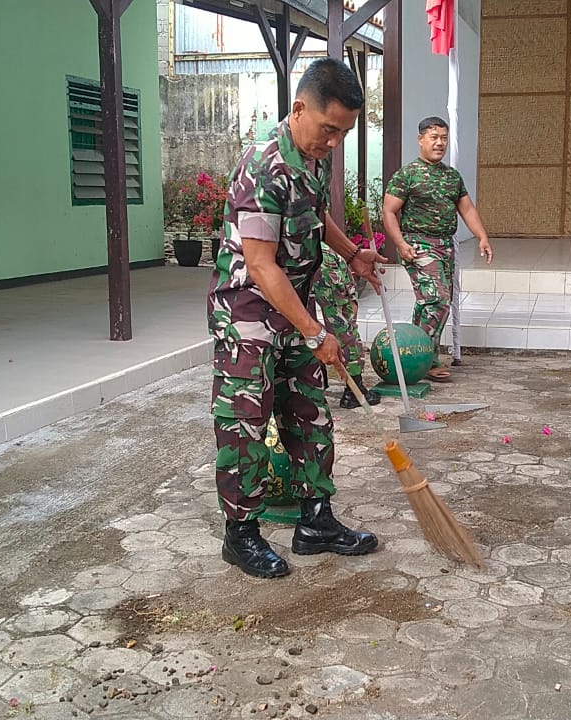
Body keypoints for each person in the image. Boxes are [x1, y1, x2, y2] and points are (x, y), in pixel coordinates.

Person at [208, 59, 384, 579]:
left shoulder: (311, 157)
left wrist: (352, 252)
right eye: (329, 129)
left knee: (310, 415)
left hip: (293, 314)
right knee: (245, 425)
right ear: (299, 108)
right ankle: (240, 534)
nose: (333, 143)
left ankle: (316, 522)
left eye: (344, 133)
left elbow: (313, 214)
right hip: (249, 320)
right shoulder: (263, 167)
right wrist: (317, 331)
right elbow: (261, 265)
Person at [382, 117, 493, 382]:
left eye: (443, 137)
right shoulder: (407, 175)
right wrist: (400, 244)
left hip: (444, 245)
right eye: (433, 137)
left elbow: (466, 208)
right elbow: (388, 211)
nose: (439, 142)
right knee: (438, 299)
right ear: (420, 139)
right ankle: (427, 360)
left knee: (428, 302)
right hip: (418, 243)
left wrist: (482, 237)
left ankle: (412, 356)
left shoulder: (451, 176)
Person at [314, 246, 382, 409]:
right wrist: (353, 254)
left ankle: (316, 382)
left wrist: (352, 254)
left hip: (285, 254)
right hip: (316, 251)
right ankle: (354, 389)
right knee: (342, 320)